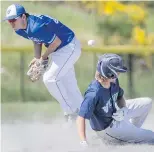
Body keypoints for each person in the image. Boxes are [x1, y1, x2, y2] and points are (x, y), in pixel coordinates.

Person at [3, 4, 83, 122]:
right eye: (9, 21)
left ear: (23, 17)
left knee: (50, 79)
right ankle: (86, 119)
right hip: (59, 50)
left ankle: (71, 112)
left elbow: (56, 41)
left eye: (13, 19)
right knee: (69, 85)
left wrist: (43, 58)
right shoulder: (20, 30)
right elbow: (36, 40)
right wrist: (37, 57)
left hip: (68, 47)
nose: (11, 23)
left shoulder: (36, 26)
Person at [77, 53, 154, 146]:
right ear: (109, 72)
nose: (119, 73)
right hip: (109, 129)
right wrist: (83, 141)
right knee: (152, 137)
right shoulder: (94, 93)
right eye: (117, 71)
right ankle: (119, 139)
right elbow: (81, 118)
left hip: (116, 113)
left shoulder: (113, 80)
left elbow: (120, 96)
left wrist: (124, 109)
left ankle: (130, 132)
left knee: (147, 102)